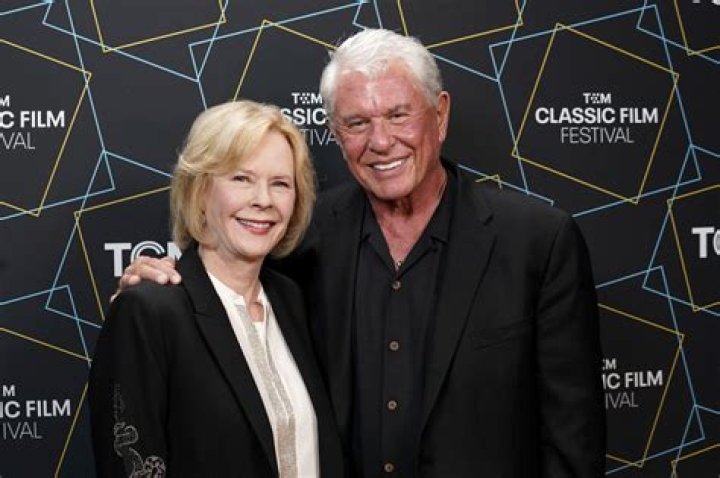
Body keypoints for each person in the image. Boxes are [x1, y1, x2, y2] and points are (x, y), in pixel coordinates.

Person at [118, 29, 606, 477]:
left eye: (398, 115)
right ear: (335, 131)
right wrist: (156, 286)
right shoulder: (300, 244)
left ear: (440, 115)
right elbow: (220, 295)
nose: (381, 141)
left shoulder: (537, 243)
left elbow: (572, 443)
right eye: (357, 122)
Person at [89, 100, 345, 477]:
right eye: (241, 179)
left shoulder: (292, 300)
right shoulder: (149, 311)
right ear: (200, 190)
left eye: (280, 183)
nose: (263, 200)